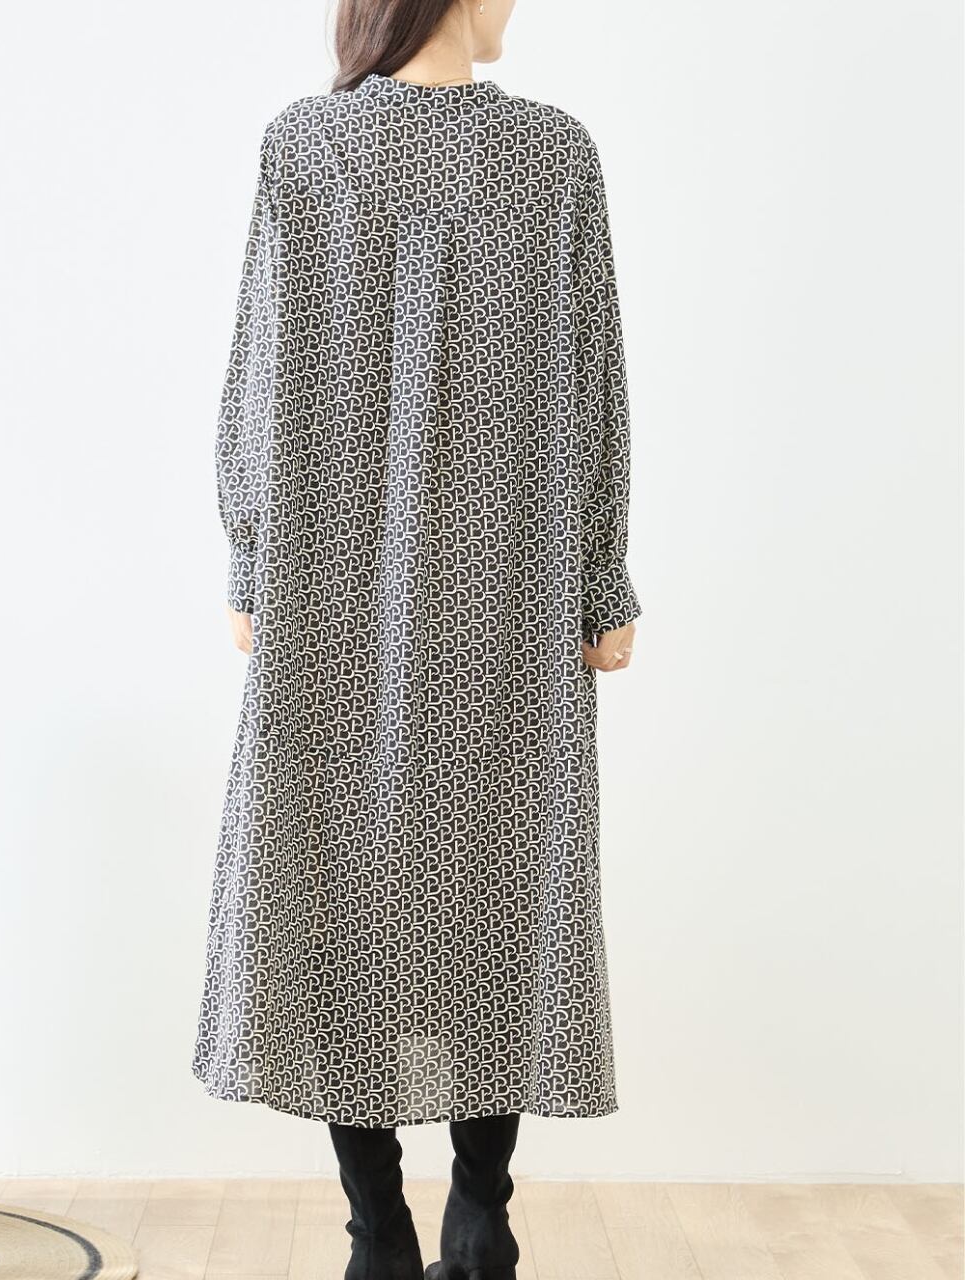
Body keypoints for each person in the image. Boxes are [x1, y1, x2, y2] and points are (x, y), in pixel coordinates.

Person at [193, 0, 642, 1276]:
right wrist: (598, 579)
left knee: (340, 884)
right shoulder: (553, 151)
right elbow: (596, 382)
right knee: (501, 878)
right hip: (510, 578)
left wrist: (253, 553)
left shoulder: (304, 143)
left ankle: (378, 1227)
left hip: (331, 573)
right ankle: (479, 1214)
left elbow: (258, 368)